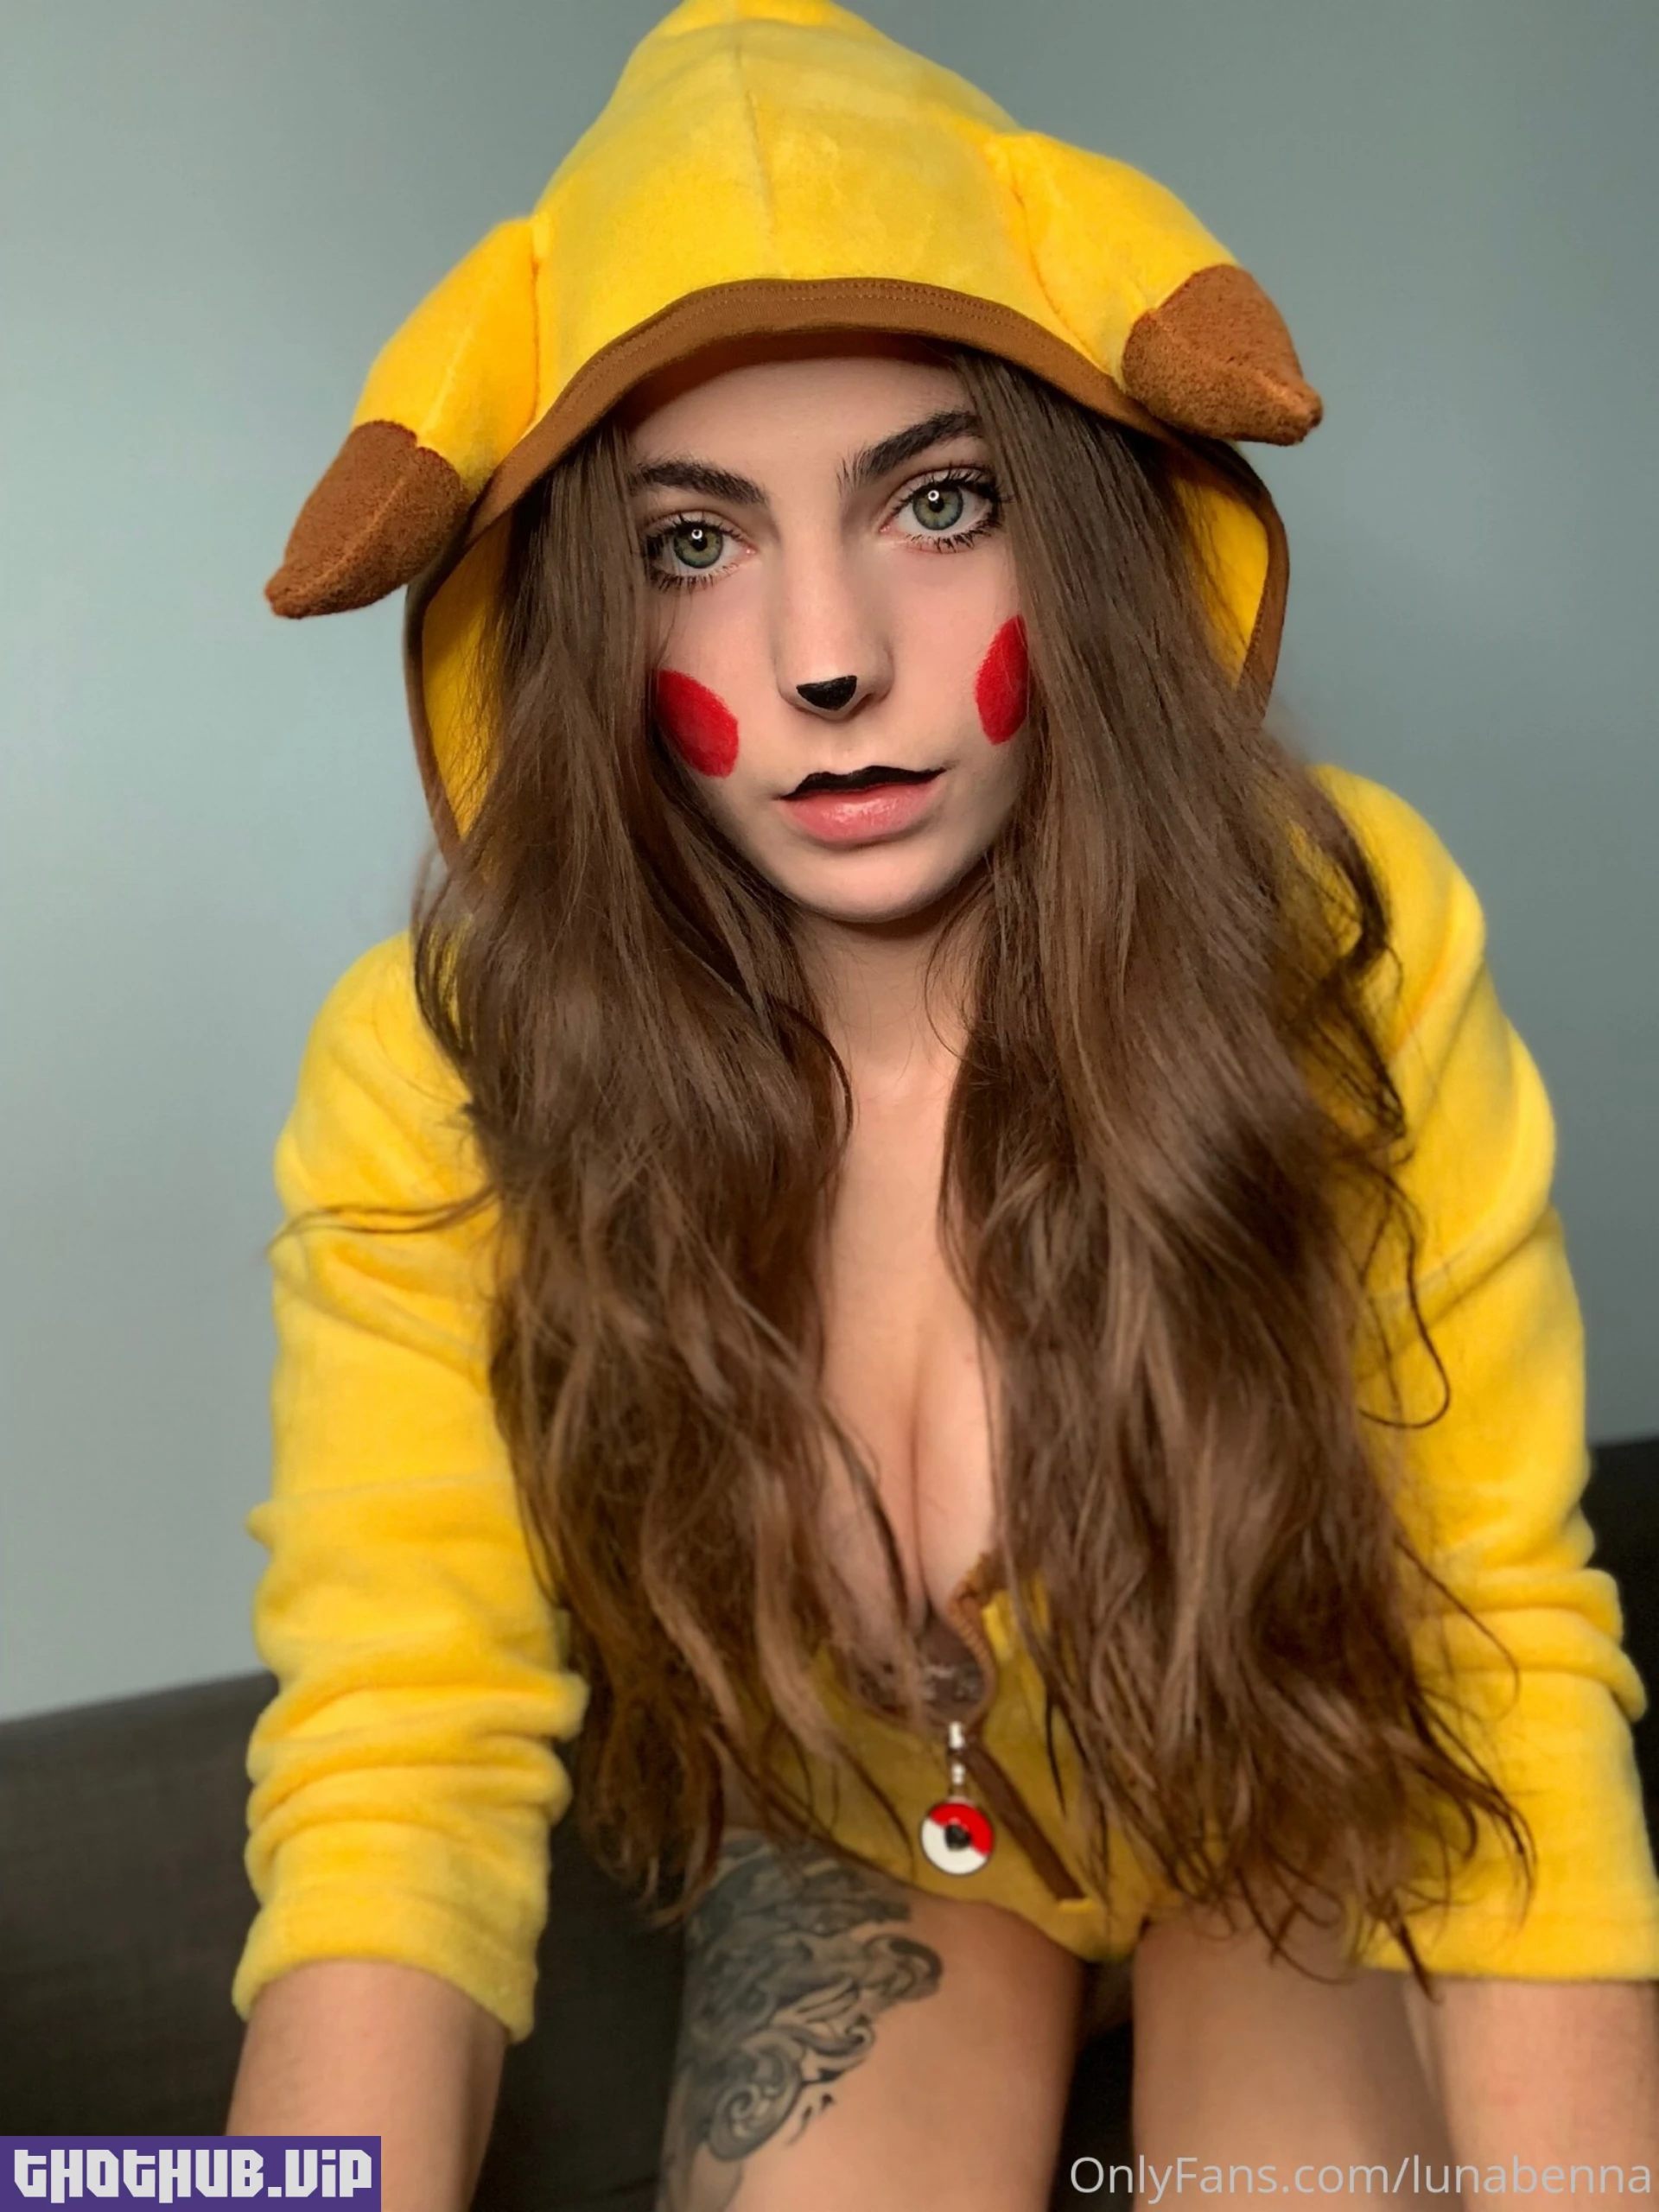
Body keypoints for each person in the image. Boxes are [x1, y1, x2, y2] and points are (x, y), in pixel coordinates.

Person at [225, 3, 1659, 2205]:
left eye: (938, 500)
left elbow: (1500, 1640)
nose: (827, 652)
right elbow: (394, 1757)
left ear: (1074, 529)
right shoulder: (443, 1071)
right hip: (881, 1842)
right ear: (580, 613)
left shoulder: (1337, 947)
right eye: (692, 543)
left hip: (1293, 1779)